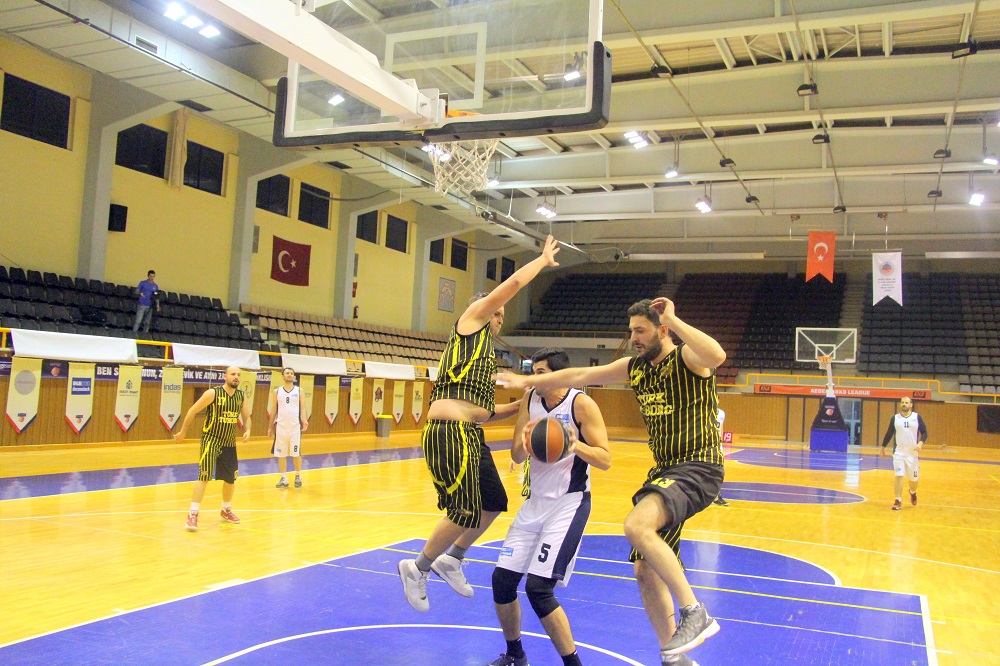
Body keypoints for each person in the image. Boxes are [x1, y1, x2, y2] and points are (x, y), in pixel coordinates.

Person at [497, 297, 726, 662]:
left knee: (636, 526)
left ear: (663, 330)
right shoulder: (635, 368)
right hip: (666, 470)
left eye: (641, 330)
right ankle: (674, 657)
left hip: (698, 465)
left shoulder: (686, 359)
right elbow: (577, 377)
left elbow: (716, 356)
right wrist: (529, 379)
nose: (634, 337)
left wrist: (674, 318)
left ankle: (694, 612)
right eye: (631, 330)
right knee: (645, 569)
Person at [397, 235, 560, 613]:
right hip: (448, 432)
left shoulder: (484, 356)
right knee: (464, 510)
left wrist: (523, 402)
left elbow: (483, 413)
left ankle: (452, 558)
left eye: (501, 314)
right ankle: (417, 568)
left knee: (494, 501)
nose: (499, 317)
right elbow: (513, 284)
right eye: (495, 310)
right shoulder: (469, 324)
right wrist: (541, 261)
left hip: (470, 432)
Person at [488, 348, 612, 666]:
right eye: (532, 371)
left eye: (540, 372)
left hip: (568, 503)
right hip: (535, 503)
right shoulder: (530, 399)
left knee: (539, 589)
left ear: (559, 374)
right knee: (502, 582)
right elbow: (516, 455)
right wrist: (527, 440)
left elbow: (605, 459)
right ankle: (515, 656)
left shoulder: (581, 403)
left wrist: (574, 443)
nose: (534, 378)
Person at [175, 366, 252, 531]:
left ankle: (226, 509)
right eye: (233, 374)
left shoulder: (241, 396)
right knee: (204, 476)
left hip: (229, 442)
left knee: (230, 479)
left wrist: (248, 429)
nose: (236, 377)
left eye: (238, 375)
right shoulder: (213, 393)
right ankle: (193, 513)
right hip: (211, 440)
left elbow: (247, 417)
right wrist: (183, 432)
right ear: (225, 376)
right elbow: (192, 411)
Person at [878, 397, 927, 510]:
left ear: (911, 405)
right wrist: (882, 447)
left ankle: (912, 492)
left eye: (906, 402)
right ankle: (898, 500)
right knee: (899, 475)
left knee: (914, 480)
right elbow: (889, 433)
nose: (904, 404)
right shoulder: (895, 418)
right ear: (900, 404)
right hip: (899, 453)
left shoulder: (916, 417)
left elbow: (925, 432)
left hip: (912, 454)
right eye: (902, 402)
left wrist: (920, 443)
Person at [267, 367, 309, 488]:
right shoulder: (277, 391)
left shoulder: (299, 390)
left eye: (291, 373)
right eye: (287, 373)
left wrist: (304, 420)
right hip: (281, 427)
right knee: (281, 454)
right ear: (283, 376)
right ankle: (284, 478)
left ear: (294, 376)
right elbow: (274, 409)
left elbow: (303, 408)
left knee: (296, 453)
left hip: (295, 427)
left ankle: (298, 475)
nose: (290, 375)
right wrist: (270, 427)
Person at [132, 269, 160, 334]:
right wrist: (140, 293)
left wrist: (158, 305)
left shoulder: (155, 286)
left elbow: (156, 296)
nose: (152, 278)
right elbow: (136, 291)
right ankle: (133, 334)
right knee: (138, 321)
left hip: (150, 306)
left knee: (147, 323)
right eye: (151, 276)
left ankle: (145, 336)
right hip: (142, 304)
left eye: (153, 276)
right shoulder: (142, 283)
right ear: (148, 276)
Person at [712, 408, 729, 506]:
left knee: (719, 471)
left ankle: (716, 496)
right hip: (707, 446)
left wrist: (721, 442)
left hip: (718, 446)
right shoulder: (705, 410)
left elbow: (721, 429)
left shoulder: (722, 413)